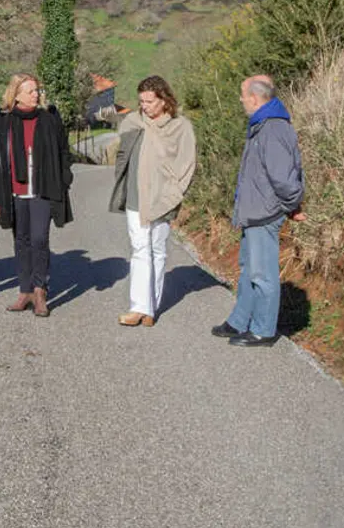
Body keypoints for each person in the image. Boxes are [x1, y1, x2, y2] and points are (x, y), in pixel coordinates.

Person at [213, 75, 305, 347]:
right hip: (256, 211)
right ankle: (240, 321)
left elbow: (285, 178)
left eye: (243, 94)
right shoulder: (263, 125)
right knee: (250, 269)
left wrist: (291, 205)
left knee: (262, 273)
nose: (241, 99)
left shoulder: (272, 129)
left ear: (254, 97)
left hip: (265, 212)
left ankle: (263, 330)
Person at [109, 76, 196, 327]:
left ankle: (152, 307)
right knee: (139, 249)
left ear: (163, 99)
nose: (144, 106)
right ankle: (139, 307)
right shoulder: (134, 122)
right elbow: (123, 148)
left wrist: (175, 192)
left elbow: (187, 164)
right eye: (141, 101)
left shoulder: (181, 127)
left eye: (149, 101)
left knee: (158, 250)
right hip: (136, 197)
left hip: (164, 198)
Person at [0, 73, 73, 318]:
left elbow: (63, 151)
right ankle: (24, 290)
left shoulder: (49, 119)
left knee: (39, 239)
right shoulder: (3, 121)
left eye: (37, 90)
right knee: (21, 241)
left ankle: (40, 290)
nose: (36, 94)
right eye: (30, 91)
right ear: (16, 95)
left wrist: (65, 178)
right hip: (14, 191)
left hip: (42, 190)